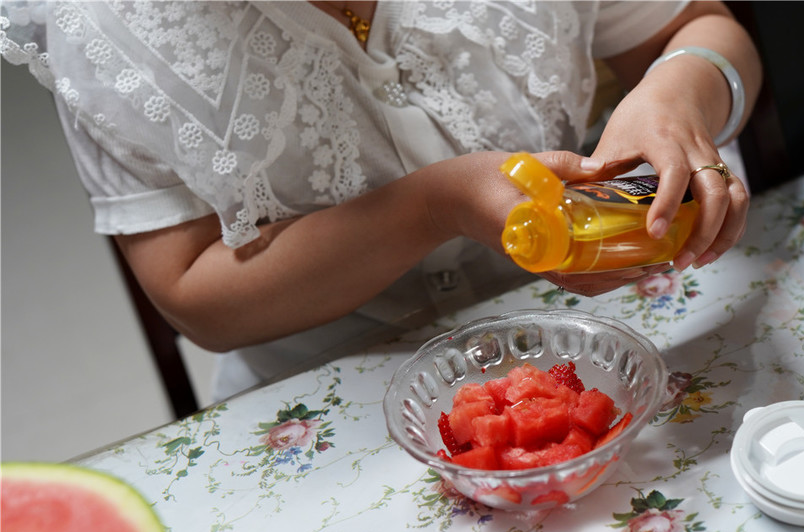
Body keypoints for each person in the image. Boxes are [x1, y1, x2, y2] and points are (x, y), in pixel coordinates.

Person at [0, 1, 762, 401]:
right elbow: (196, 295)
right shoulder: (102, 26)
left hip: (605, 344)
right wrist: (435, 207)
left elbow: (703, 28)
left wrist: (676, 93)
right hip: (332, 390)